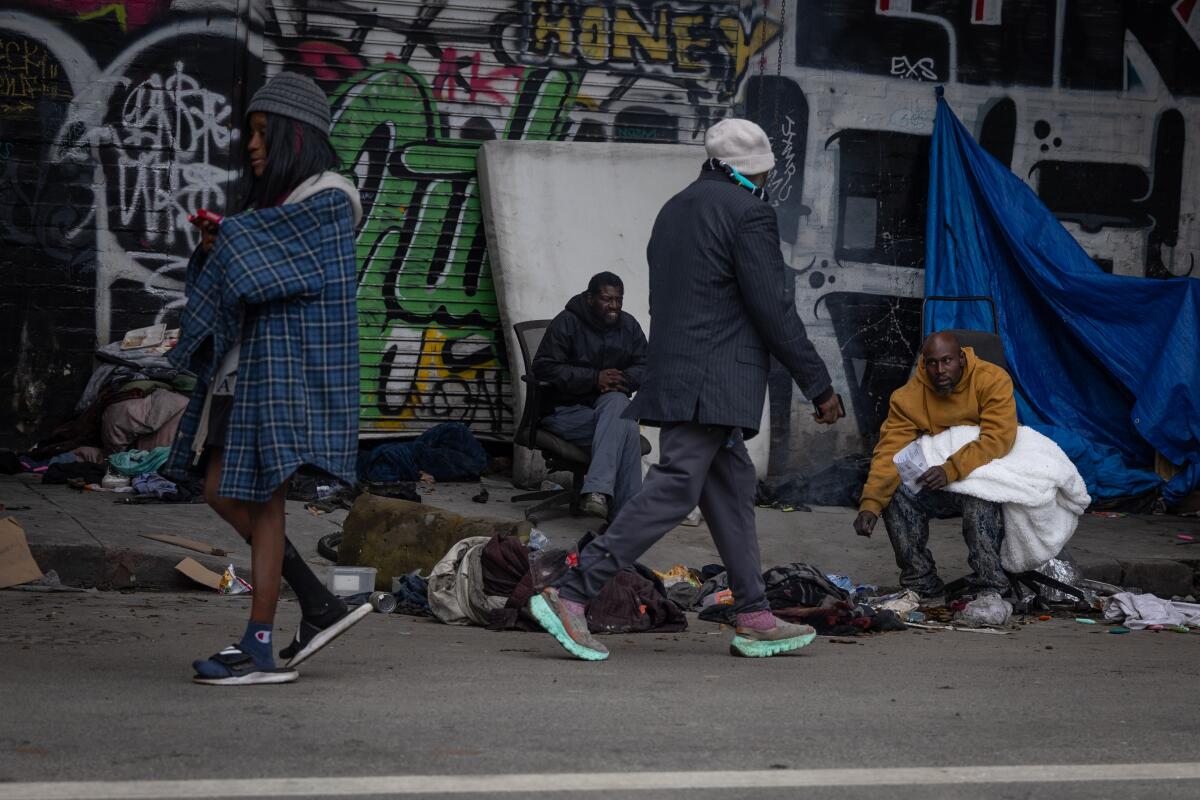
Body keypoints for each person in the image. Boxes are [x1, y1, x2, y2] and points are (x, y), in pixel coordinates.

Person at [525, 118, 845, 661]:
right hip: (713, 382)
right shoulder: (749, 213)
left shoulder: (674, 209)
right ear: (753, 170)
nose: (769, 178)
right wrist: (817, 384)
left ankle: (754, 614)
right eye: (766, 170)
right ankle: (573, 591)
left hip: (681, 374)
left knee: (732, 491)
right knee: (676, 488)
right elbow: (772, 308)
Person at [167, 72, 369, 685]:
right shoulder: (275, 209)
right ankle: (317, 601)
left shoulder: (330, 199)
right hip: (243, 373)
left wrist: (228, 238)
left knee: (262, 497)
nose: (252, 146)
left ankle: (258, 643)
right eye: (249, 134)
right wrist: (217, 245)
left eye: (261, 133)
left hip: (281, 376)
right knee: (219, 491)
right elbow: (246, 264)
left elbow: (274, 264)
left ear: (293, 135)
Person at [852, 331, 1017, 601]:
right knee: (897, 492)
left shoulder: (992, 380)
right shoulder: (908, 396)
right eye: (932, 363)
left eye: (947, 361)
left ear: (961, 359)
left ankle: (990, 583)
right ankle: (921, 580)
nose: (940, 370)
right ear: (923, 363)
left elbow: (997, 439)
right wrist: (870, 504)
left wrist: (950, 469)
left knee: (980, 498)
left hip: (979, 477)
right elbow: (890, 451)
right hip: (938, 481)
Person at [532, 272, 647, 519]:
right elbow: (544, 367)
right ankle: (627, 519)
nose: (614, 305)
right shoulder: (567, 322)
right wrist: (594, 378)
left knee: (618, 404)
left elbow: (646, 365)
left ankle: (598, 493)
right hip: (564, 410)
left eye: (618, 299)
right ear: (589, 298)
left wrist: (624, 379)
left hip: (606, 409)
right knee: (627, 429)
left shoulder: (629, 326)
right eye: (607, 299)